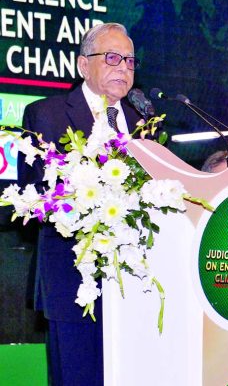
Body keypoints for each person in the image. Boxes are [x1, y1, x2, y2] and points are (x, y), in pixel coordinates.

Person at [18, 23, 143, 386]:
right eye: (113, 57)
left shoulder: (142, 121)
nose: (123, 67)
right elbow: (34, 196)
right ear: (83, 65)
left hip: (135, 287)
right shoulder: (47, 114)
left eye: (131, 61)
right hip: (72, 282)